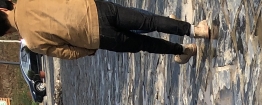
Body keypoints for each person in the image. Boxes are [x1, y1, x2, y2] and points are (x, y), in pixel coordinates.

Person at [0, 0, 211, 64]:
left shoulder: (33, 43)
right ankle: (197, 30)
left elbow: (67, 53)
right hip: (94, 8)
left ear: (7, 33)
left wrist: (87, 51)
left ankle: (184, 50)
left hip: (97, 38)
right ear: (2, 10)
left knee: (144, 44)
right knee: (148, 20)